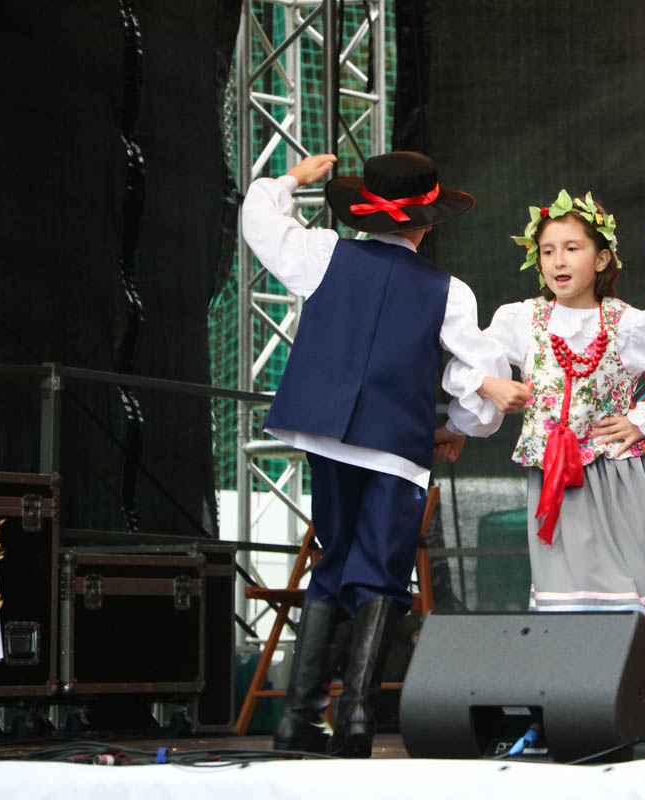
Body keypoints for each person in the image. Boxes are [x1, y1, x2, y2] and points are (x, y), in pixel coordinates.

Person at [445, 190, 645, 699]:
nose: (558, 260)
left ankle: (642, 699)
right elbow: (465, 363)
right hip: (555, 486)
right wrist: (489, 386)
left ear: (601, 260)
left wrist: (643, 418)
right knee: (566, 594)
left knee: (635, 589)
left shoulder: (627, 324)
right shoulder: (521, 320)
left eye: (572, 248)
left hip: (622, 479)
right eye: (548, 250)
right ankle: (578, 702)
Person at [241, 151, 508, 757]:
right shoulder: (449, 292)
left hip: (325, 436)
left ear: (365, 211)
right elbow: (479, 371)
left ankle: (299, 719)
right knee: (382, 573)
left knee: (335, 560)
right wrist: (462, 426)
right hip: (394, 447)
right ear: (427, 224)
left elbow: (259, 219)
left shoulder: (323, 254)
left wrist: (290, 180)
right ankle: (356, 714)